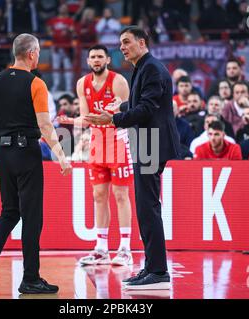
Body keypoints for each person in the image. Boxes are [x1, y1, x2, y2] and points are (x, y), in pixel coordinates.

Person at [84, 26, 182, 290]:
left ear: (142, 42)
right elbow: (141, 103)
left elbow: (148, 109)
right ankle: (151, 267)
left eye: (126, 42)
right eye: (120, 43)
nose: (122, 47)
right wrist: (122, 107)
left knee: (148, 207)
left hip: (151, 143)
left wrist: (113, 118)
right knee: (146, 206)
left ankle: (158, 271)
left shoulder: (150, 68)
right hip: (147, 142)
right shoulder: (143, 67)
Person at [0, 33, 72, 295]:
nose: (38, 56)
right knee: (31, 217)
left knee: (9, 211)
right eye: (38, 52)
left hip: (2, 154)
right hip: (26, 152)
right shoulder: (36, 83)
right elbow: (44, 124)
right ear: (31, 53)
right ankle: (30, 278)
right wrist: (60, 155)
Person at [59, 44, 134, 266]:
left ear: (108, 60)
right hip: (96, 143)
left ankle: (125, 249)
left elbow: (126, 114)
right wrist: (71, 121)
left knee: (121, 195)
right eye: (92, 57)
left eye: (100, 56)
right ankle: (101, 250)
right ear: (88, 61)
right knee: (99, 195)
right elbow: (86, 118)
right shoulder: (82, 83)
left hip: (118, 141)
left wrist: (106, 117)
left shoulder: (118, 81)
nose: (96, 60)